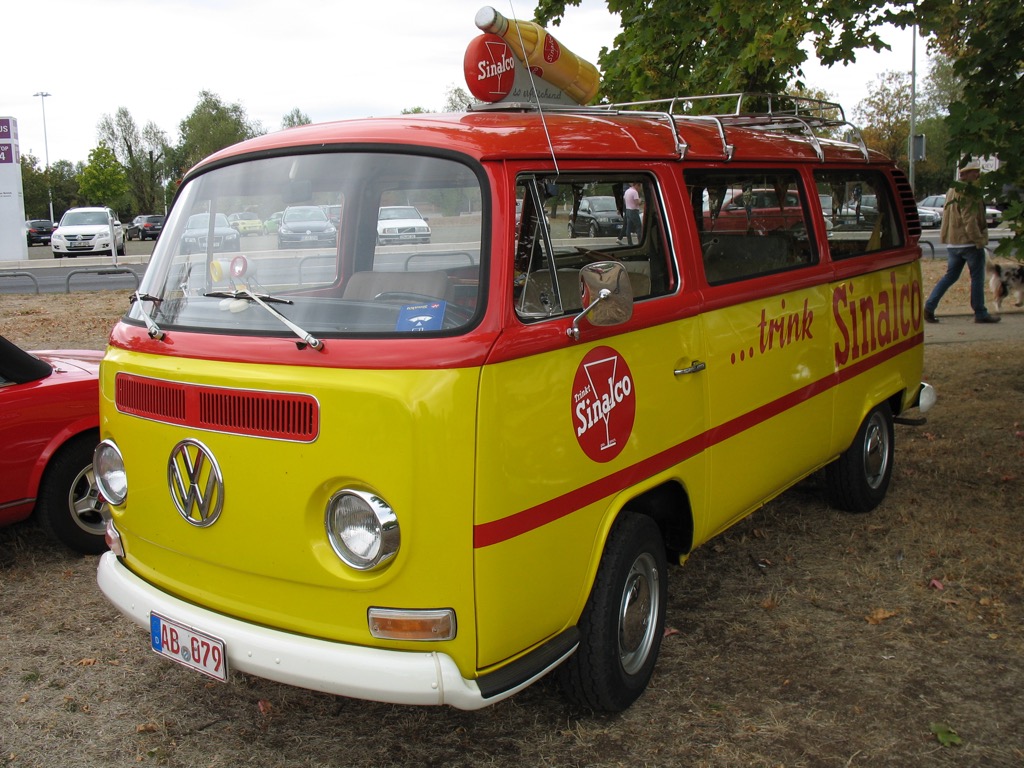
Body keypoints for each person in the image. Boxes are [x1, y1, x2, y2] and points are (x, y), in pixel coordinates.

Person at [924, 160, 1000, 324]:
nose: (977, 174)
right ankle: (980, 313)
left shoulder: (952, 190)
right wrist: (979, 240)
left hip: (954, 242)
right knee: (977, 278)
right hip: (968, 242)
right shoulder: (968, 191)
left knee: (950, 276)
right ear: (964, 174)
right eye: (974, 172)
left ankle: (929, 306)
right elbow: (969, 219)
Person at [618, 181, 643, 246]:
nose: (640, 189)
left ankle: (630, 242)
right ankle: (640, 242)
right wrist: (640, 200)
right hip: (634, 210)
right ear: (637, 185)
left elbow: (624, 200)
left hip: (628, 210)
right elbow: (636, 202)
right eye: (640, 187)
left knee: (628, 227)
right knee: (638, 226)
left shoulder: (627, 191)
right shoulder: (635, 192)